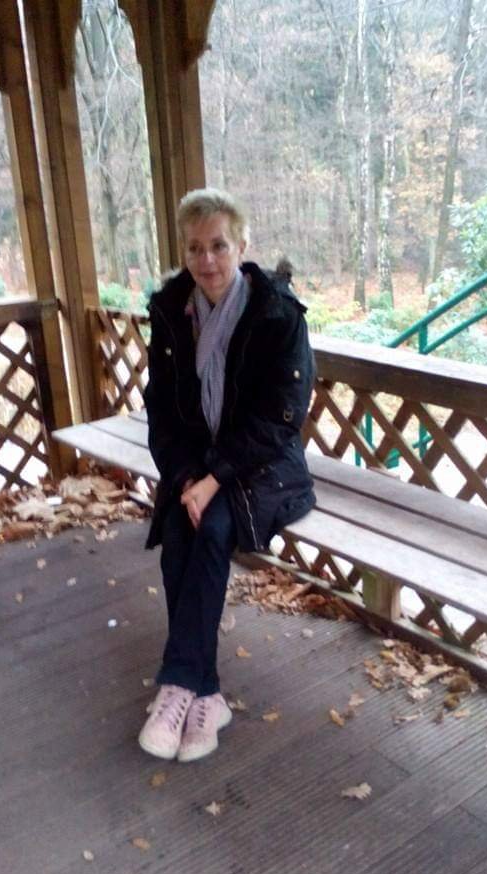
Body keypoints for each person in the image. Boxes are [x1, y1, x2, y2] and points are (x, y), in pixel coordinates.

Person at [138, 188, 316, 762]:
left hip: (263, 466)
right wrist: (186, 477)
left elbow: (282, 416)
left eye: (218, 245)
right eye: (195, 248)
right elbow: (163, 413)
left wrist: (213, 478)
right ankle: (205, 693)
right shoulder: (173, 312)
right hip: (198, 463)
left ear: (242, 246)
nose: (207, 259)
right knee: (178, 529)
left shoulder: (276, 314)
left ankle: (179, 684)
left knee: (212, 529)